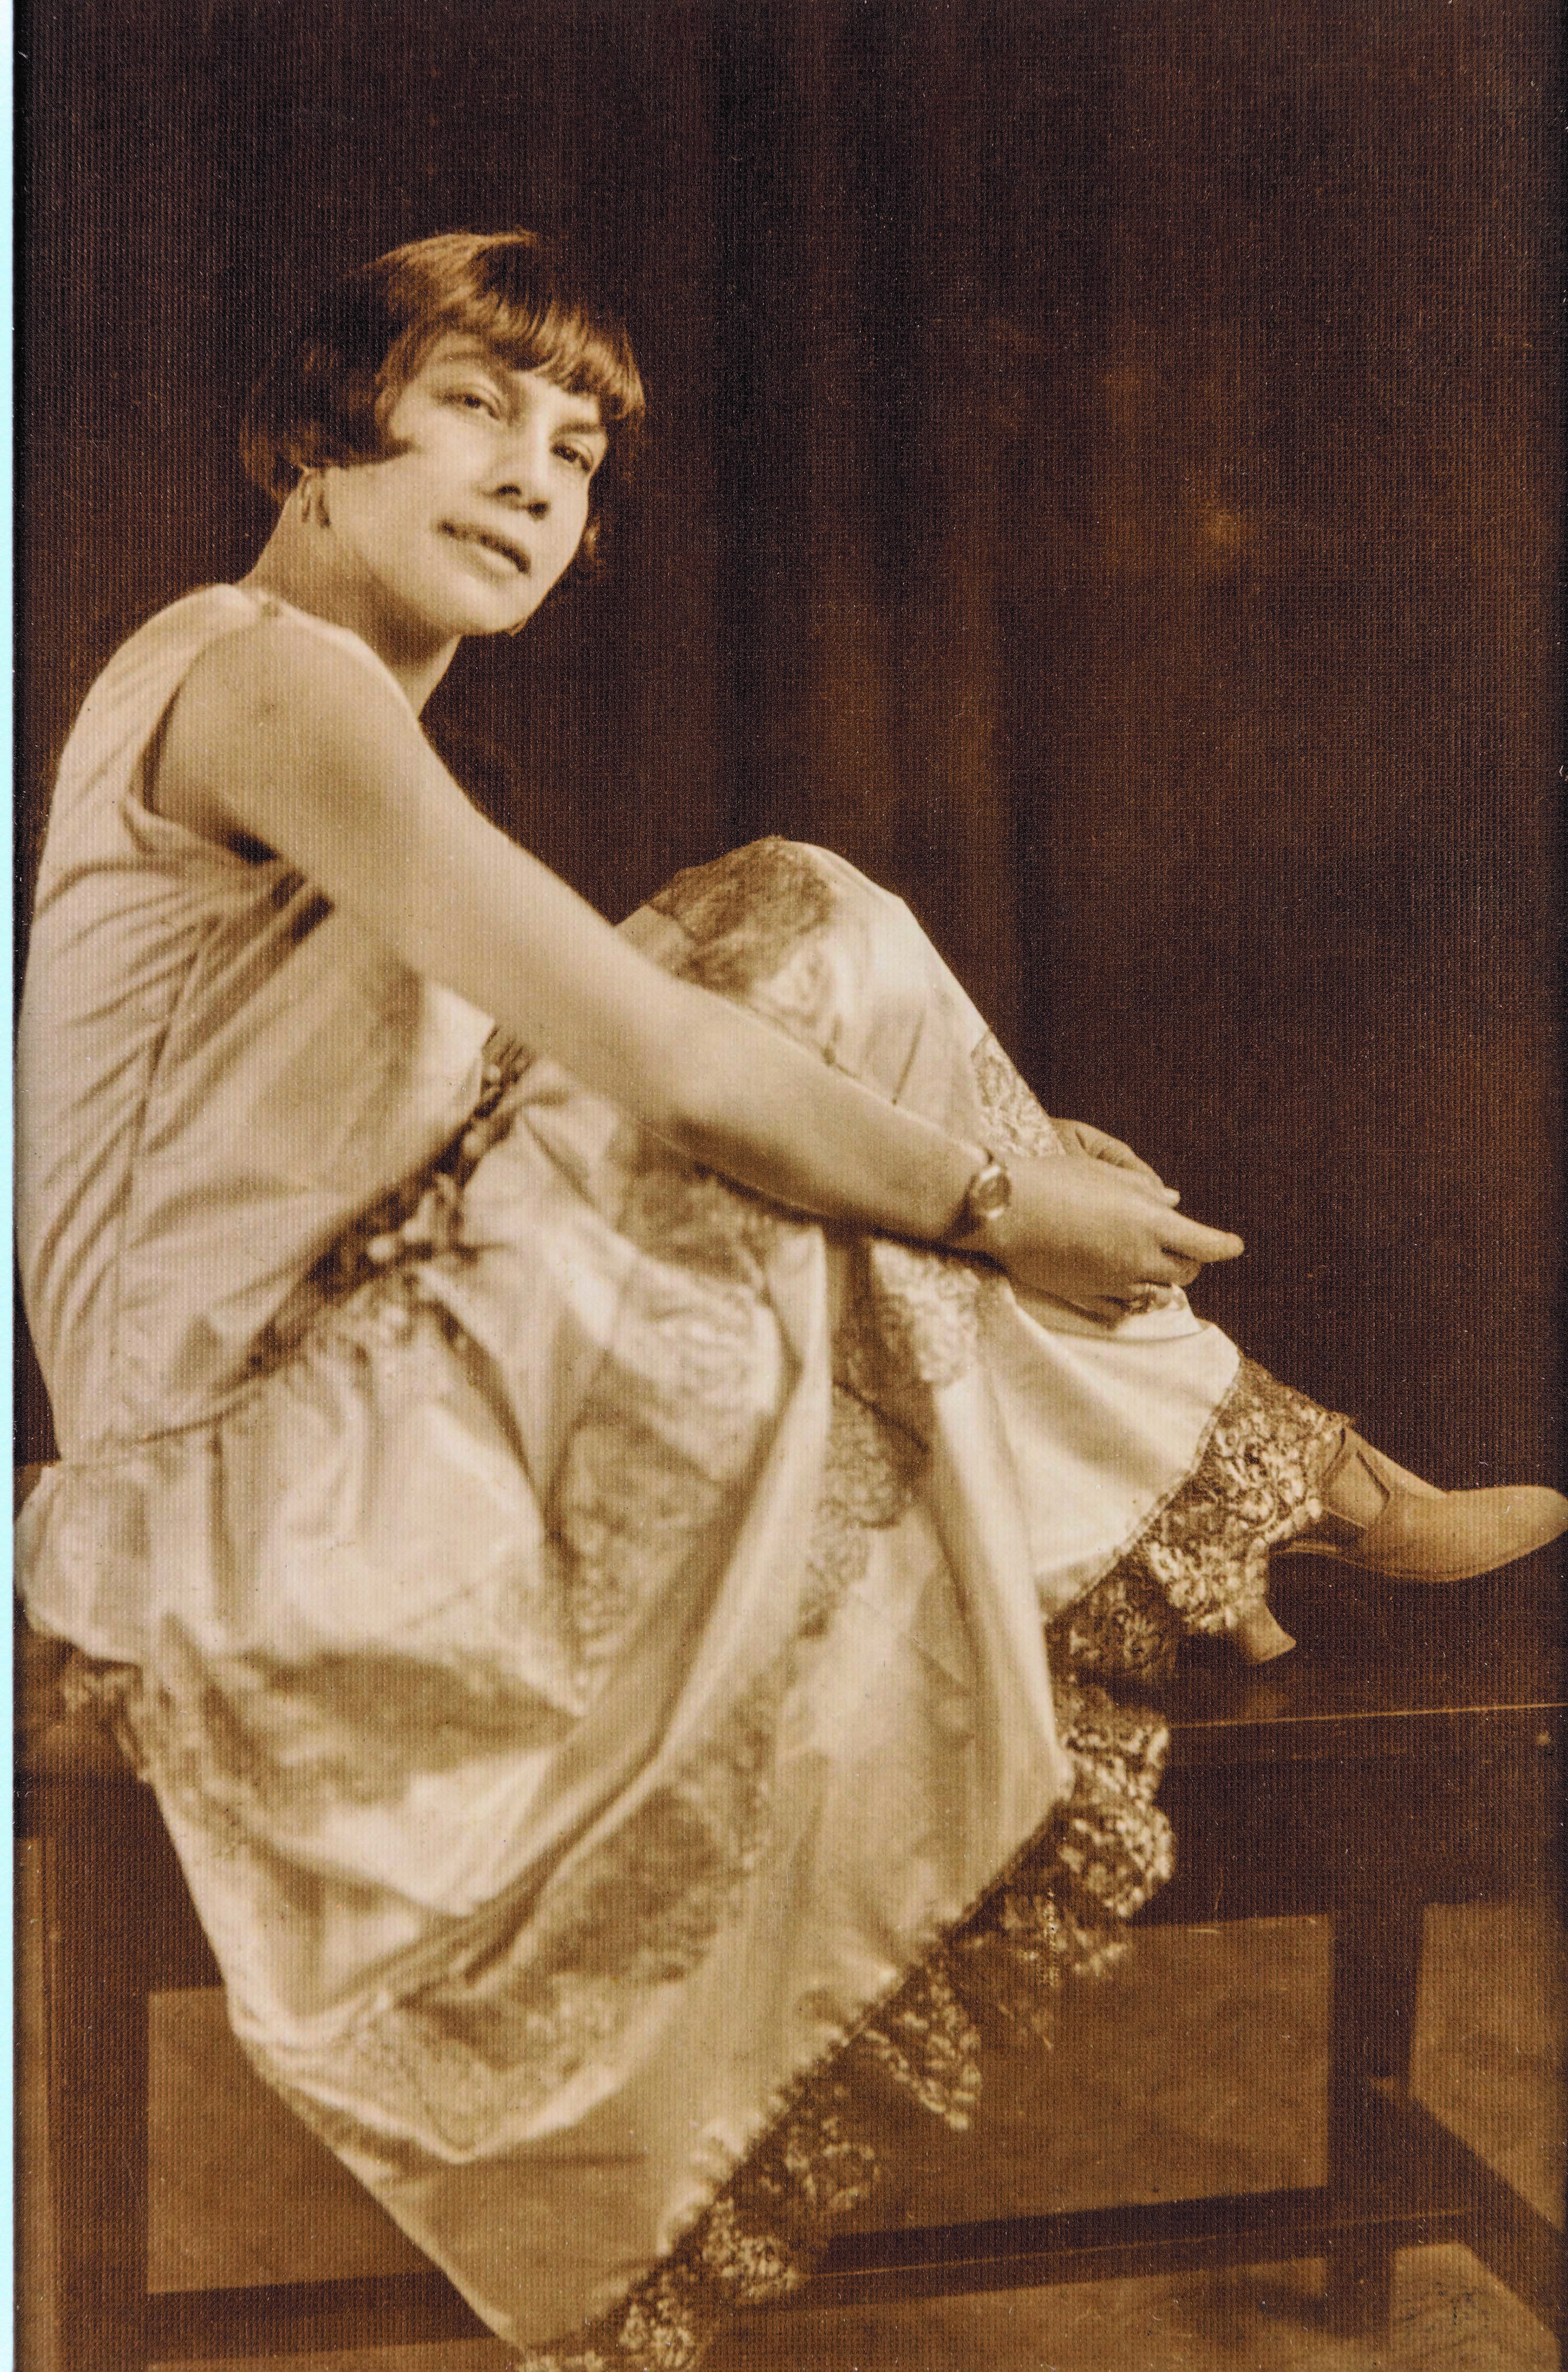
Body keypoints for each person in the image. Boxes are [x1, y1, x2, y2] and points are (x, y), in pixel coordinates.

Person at [16, 230, 1564, 2371]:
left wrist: (980, 1176)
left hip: (326, 1430)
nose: (534, 480)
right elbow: (659, 1068)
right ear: (317, 437)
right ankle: (1304, 1473)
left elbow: (518, 1107)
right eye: (476, 404)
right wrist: (995, 1201)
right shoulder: (265, 669)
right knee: (793, 943)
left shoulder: (301, 686)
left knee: (791, 990)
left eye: (578, 450)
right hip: (251, 1511)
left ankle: (1287, 1465)